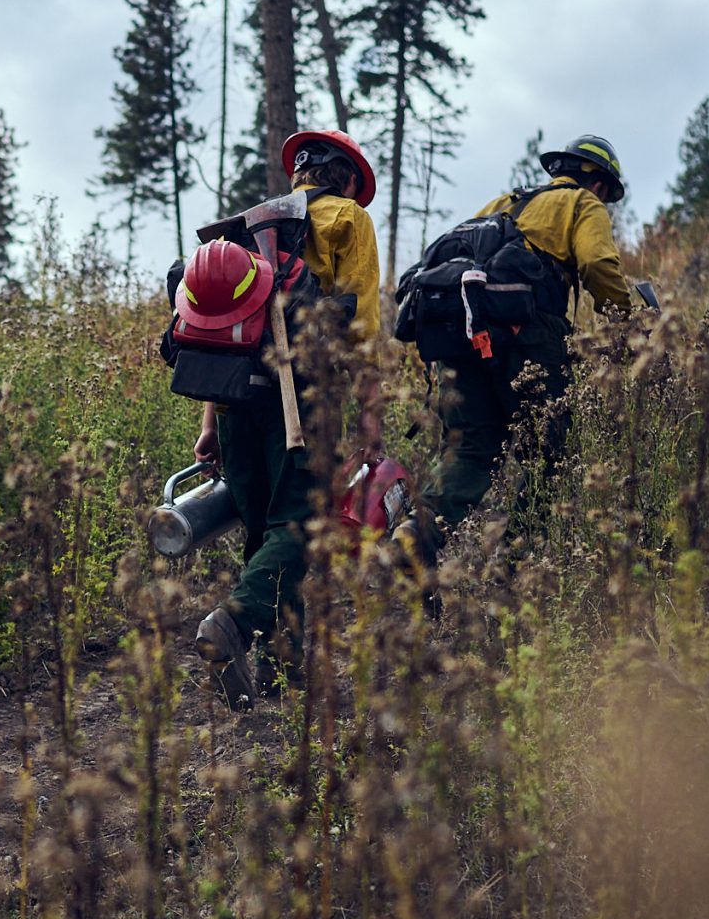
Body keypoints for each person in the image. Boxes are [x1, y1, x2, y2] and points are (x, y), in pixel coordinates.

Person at [193, 128, 382, 708]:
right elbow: (364, 329)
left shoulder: (248, 230)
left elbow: (212, 330)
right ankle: (235, 621)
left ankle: (281, 666)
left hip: (230, 396)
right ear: (345, 178)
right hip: (299, 395)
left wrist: (208, 422)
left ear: (299, 173)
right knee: (298, 525)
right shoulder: (349, 219)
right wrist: (369, 419)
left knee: (266, 530)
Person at [424, 133, 634, 537]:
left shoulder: (503, 202)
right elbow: (596, 264)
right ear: (600, 184)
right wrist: (626, 320)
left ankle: (417, 541)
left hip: (462, 333)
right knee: (548, 452)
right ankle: (519, 568)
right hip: (529, 335)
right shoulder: (583, 202)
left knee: (467, 450)